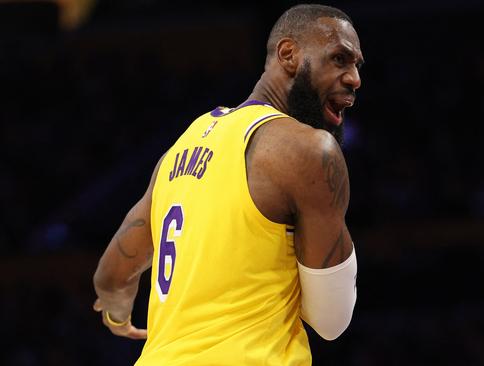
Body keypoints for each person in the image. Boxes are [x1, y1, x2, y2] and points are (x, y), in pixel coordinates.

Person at [92, 4, 364, 365]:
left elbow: (111, 279)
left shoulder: (180, 148)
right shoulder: (310, 150)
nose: (355, 78)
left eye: (358, 66)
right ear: (288, 54)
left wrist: (118, 316)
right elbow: (332, 320)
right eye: (340, 59)